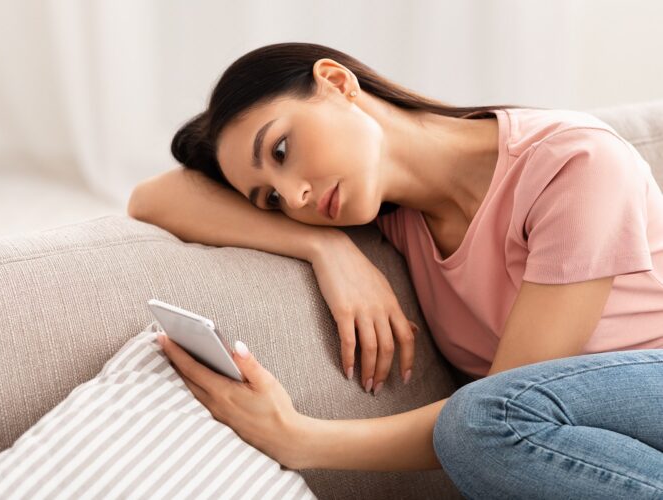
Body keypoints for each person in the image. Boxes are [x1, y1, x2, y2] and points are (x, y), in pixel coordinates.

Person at [128, 42, 663, 498]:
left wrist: (299, 438)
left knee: (479, 420)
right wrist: (326, 250)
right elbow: (154, 198)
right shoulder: (396, 222)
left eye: (283, 148)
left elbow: (508, 404)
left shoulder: (575, 162)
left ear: (336, 82)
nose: (294, 195)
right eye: (270, 199)